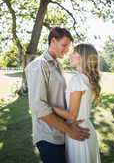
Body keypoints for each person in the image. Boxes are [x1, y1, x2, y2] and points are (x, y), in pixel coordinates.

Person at [25, 27, 90, 163]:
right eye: (64, 45)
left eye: (68, 46)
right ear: (53, 41)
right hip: (49, 136)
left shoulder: (57, 65)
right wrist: (69, 130)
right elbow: (38, 107)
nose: (67, 50)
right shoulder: (38, 65)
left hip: (62, 132)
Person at [53, 43, 101, 163]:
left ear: (82, 58)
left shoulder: (78, 79)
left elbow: (72, 116)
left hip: (78, 131)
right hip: (86, 128)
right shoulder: (87, 78)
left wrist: (49, 107)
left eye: (74, 53)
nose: (70, 55)